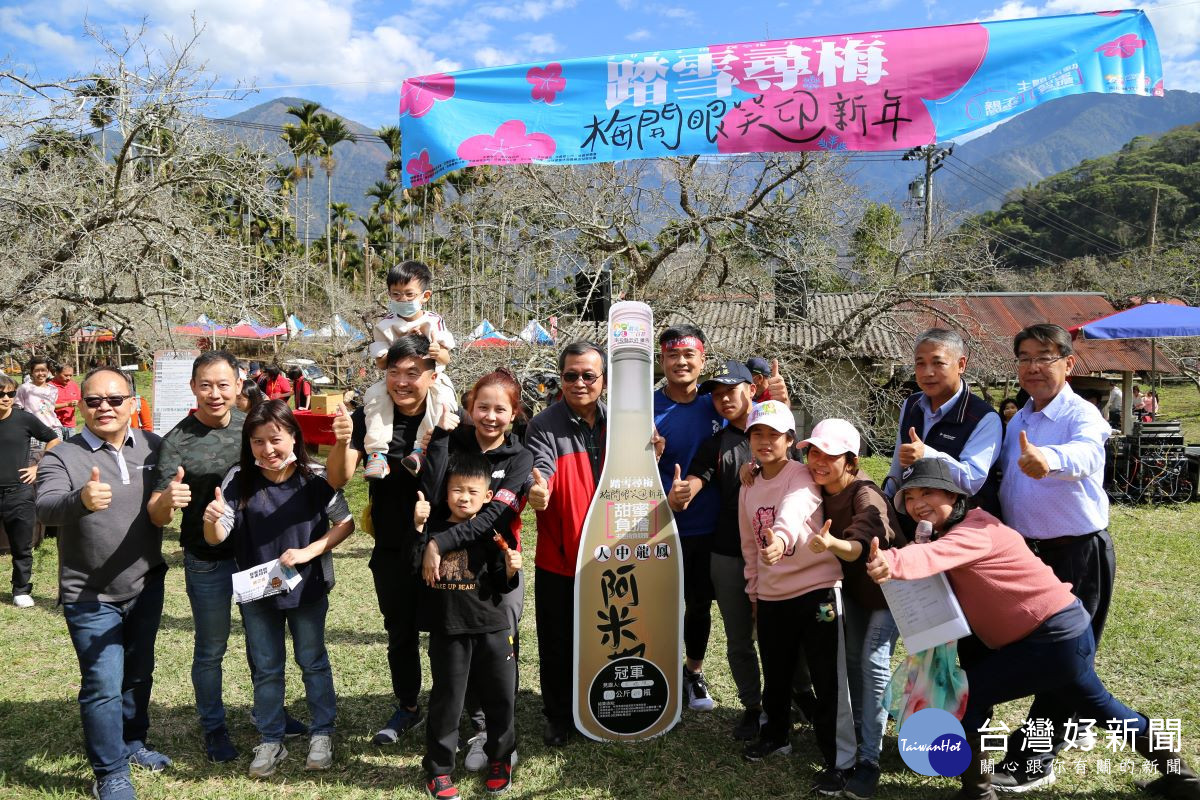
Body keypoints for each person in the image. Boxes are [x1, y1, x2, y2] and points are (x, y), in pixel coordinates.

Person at [867, 458, 1200, 800]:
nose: (917, 503)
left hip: (1051, 640)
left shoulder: (975, 530)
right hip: (1062, 635)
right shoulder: (955, 531)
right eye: (909, 497)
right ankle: (1185, 780)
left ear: (953, 496)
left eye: (928, 493)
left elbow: (932, 557)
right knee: (1108, 712)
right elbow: (934, 556)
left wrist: (890, 562)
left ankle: (978, 793)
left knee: (969, 700)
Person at [148, 350, 306, 763]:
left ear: (239, 385)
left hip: (258, 558)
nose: (214, 394)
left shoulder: (251, 428)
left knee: (264, 645)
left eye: (223, 384)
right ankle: (214, 725)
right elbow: (157, 511)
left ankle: (270, 711)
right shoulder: (176, 441)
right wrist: (168, 500)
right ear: (193, 387)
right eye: (205, 385)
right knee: (211, 647)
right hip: (206, 559)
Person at [35, 366, 170, 800]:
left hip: (145, 582)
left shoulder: (154, 447)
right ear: (81, 406)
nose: (105, 407)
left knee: (138, 673)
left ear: (133, 402)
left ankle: (133, 742)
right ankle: (109, 771)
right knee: (102, 682)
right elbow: (46, 506)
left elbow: (169, 497)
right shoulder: (64, 456)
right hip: (89, 592)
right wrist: (81, 500)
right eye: (94, 400)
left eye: (115, 399)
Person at [992, 323, 1116, 791]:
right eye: (1024, 357)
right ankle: (1074, 715)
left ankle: (1033, 757)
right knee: (1044, 652)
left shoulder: (1082, 415)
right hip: (1029, 556)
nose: (1033, 367)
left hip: (1077, 553)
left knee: (1063, 657)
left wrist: (1051, 460)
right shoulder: (1018, 419)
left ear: (1069, 362)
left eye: (1044, 357)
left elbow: (1086, 453)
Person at [202, 400, 354, 778]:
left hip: (307, 590)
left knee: (312, 660)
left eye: (275, 439)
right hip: (257, 594)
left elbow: (346, 522)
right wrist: (212, 521)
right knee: (267, 668)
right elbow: (219, 534)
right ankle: (271, 738)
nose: (267, 449)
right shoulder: (238, 479)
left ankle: (322, 733)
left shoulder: (315, 477)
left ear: (293, 436)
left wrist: (310, 551)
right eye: (257, 442)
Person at [328, 335, 450, 747]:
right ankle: (408, 706)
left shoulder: (447, 415)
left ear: (431, 376)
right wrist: (345, 438)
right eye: (394, 372)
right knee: (400, 631)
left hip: (443, 543)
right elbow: (339, 478)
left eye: (412, 373)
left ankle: (453, 708)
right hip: (392, 545)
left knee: (446, 630)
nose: (402, 381)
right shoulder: (370, 415)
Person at [738, 400, 856, 794]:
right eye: (758, 434)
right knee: (777, 672)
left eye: (774, 435)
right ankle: (776, 735)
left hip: (817, 591)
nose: (765, 442)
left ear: (790, 440)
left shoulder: (802, 475)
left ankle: (840, 759)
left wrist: (783, 538)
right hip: (772, 596)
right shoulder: (748, 484)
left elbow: (794, 509)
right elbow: (749, 546)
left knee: (828, 677)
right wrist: (755, 590)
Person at [418, 369, 533, 772]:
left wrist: (438, 541)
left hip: (499, 564)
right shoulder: (456, 443)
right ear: (469, 408)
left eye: (500, 409)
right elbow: (432, 494)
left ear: (514, 413)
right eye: (482, 407)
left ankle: (497, 741)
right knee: (455, 656)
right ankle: (476, 729)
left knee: (498, 656)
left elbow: (493, 517)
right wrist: (442, 438)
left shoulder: (520, 457)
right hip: (449, 570)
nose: (490, 416)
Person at [803, 418, 904, 800]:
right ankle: (863, 737)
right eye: (814, 452)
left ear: (851, 460)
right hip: (856, 595)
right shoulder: (816, 485)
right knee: (851, 667)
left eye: (830, 455)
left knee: (872, 666)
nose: (819, 461)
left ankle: (869, 762)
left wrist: (834, 544)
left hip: (890, 592)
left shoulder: (866, 493)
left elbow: (865, 535)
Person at [415, 452, 522, 800]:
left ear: (488, 496)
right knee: (447, 702)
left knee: (501, 697)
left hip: (491, 626)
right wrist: (418, 530)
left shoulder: (492, 532)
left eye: (473, 492)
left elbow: (501, 584)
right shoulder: (433, 531)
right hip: (449, 629)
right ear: (445, 492)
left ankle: (500, 758)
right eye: (457, 490)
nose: (464, 498)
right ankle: (439, 769)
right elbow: (412, 571)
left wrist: (509, 570)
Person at [524, 340, 607, 747]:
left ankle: (598, 705)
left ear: (603, 380)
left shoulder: (623, 423)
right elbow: (540, 469)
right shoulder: (543, 424)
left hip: (612, 555)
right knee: (557, 641)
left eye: (588, 375)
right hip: (561, 556)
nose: (579, 382)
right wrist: (539, 490)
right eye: (570, 375)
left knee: (606, 634)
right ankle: (558, 715)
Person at [653, 324, 723, 711]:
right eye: (673, 355)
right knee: (655, 604)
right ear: (661, 360)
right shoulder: (644, 406)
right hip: (654, 527)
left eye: (689, 355)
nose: (681, 361)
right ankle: (657, 671)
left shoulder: (719, 403)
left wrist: (770, 396)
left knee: (698, 605)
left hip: (707, 527)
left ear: (702, 360)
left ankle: (693, 674)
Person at [884, 329, 1002, 518]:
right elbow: (898, 466)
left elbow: (971, 481)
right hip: (915, 519)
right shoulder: (911, 405)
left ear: (961, 364)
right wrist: (885, 502)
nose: (928, 373)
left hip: (963, 526)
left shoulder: (984, 418)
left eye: (938, 363)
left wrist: (927, 455)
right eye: (920, 364)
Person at [362, 260, 457, 479]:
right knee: (375, 397)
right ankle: (377, 454)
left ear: (425, 296)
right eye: (396, 294)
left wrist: (435, 351)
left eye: (409, 294)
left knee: (443, 401)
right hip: (395, 379)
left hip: (433, 378)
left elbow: (446, 358)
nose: (402, 299)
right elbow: (381, 364)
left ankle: (422, 449)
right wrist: (400, 346)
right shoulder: (384, 325)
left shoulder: (434, 322)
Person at [0, 372, 59, 608]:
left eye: (11, 394)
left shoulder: (24, 419)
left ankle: (21, 589)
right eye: (1, 394)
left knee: (22, 545)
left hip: (19, 492)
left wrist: (38, 466)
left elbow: (53, 438)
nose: (5, 398)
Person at [17, 355, 62, 439]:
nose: (40, 373)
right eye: (37, 370)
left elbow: (51, 408)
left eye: (43, 370)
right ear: (32, 372)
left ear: (48, 371)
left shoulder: (53, 390)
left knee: (55, 452)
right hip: (34, 432)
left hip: (54, 429)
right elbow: (17, 410)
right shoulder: (24, 388)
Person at [51, 362, 81, 432]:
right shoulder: (49, 387)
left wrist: (79, 403)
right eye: (66, 375)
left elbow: (80, 400)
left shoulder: (73, 385)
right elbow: (47, 406)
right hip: (54, 425)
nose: (68, 378)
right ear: (57, 373)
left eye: (70, 375)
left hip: (70, 425)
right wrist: (67, 404)